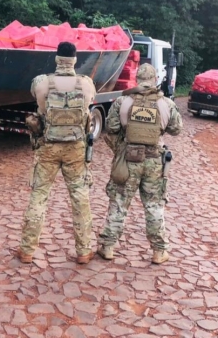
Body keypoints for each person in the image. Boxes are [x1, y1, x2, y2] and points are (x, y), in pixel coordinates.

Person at [18, 41, 96, 264]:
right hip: (75, 149)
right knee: (80, 198)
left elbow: (36, 98)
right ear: (74, 59)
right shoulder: (86, 83)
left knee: (39, 197)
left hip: (48, 147)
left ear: (56, 58)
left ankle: (27, 250)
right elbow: (91, 103)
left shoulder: (41, 82)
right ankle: (83, 251)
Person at [97, 63, 183, 264]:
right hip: (154, 162)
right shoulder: (166, 104)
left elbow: (111, 127)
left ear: (137, 79)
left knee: (119, 202)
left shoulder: (122, 101)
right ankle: (159, 251)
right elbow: (176, 129)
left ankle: (108, 247)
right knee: (153, 206)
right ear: (154, 80)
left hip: (128, 160)